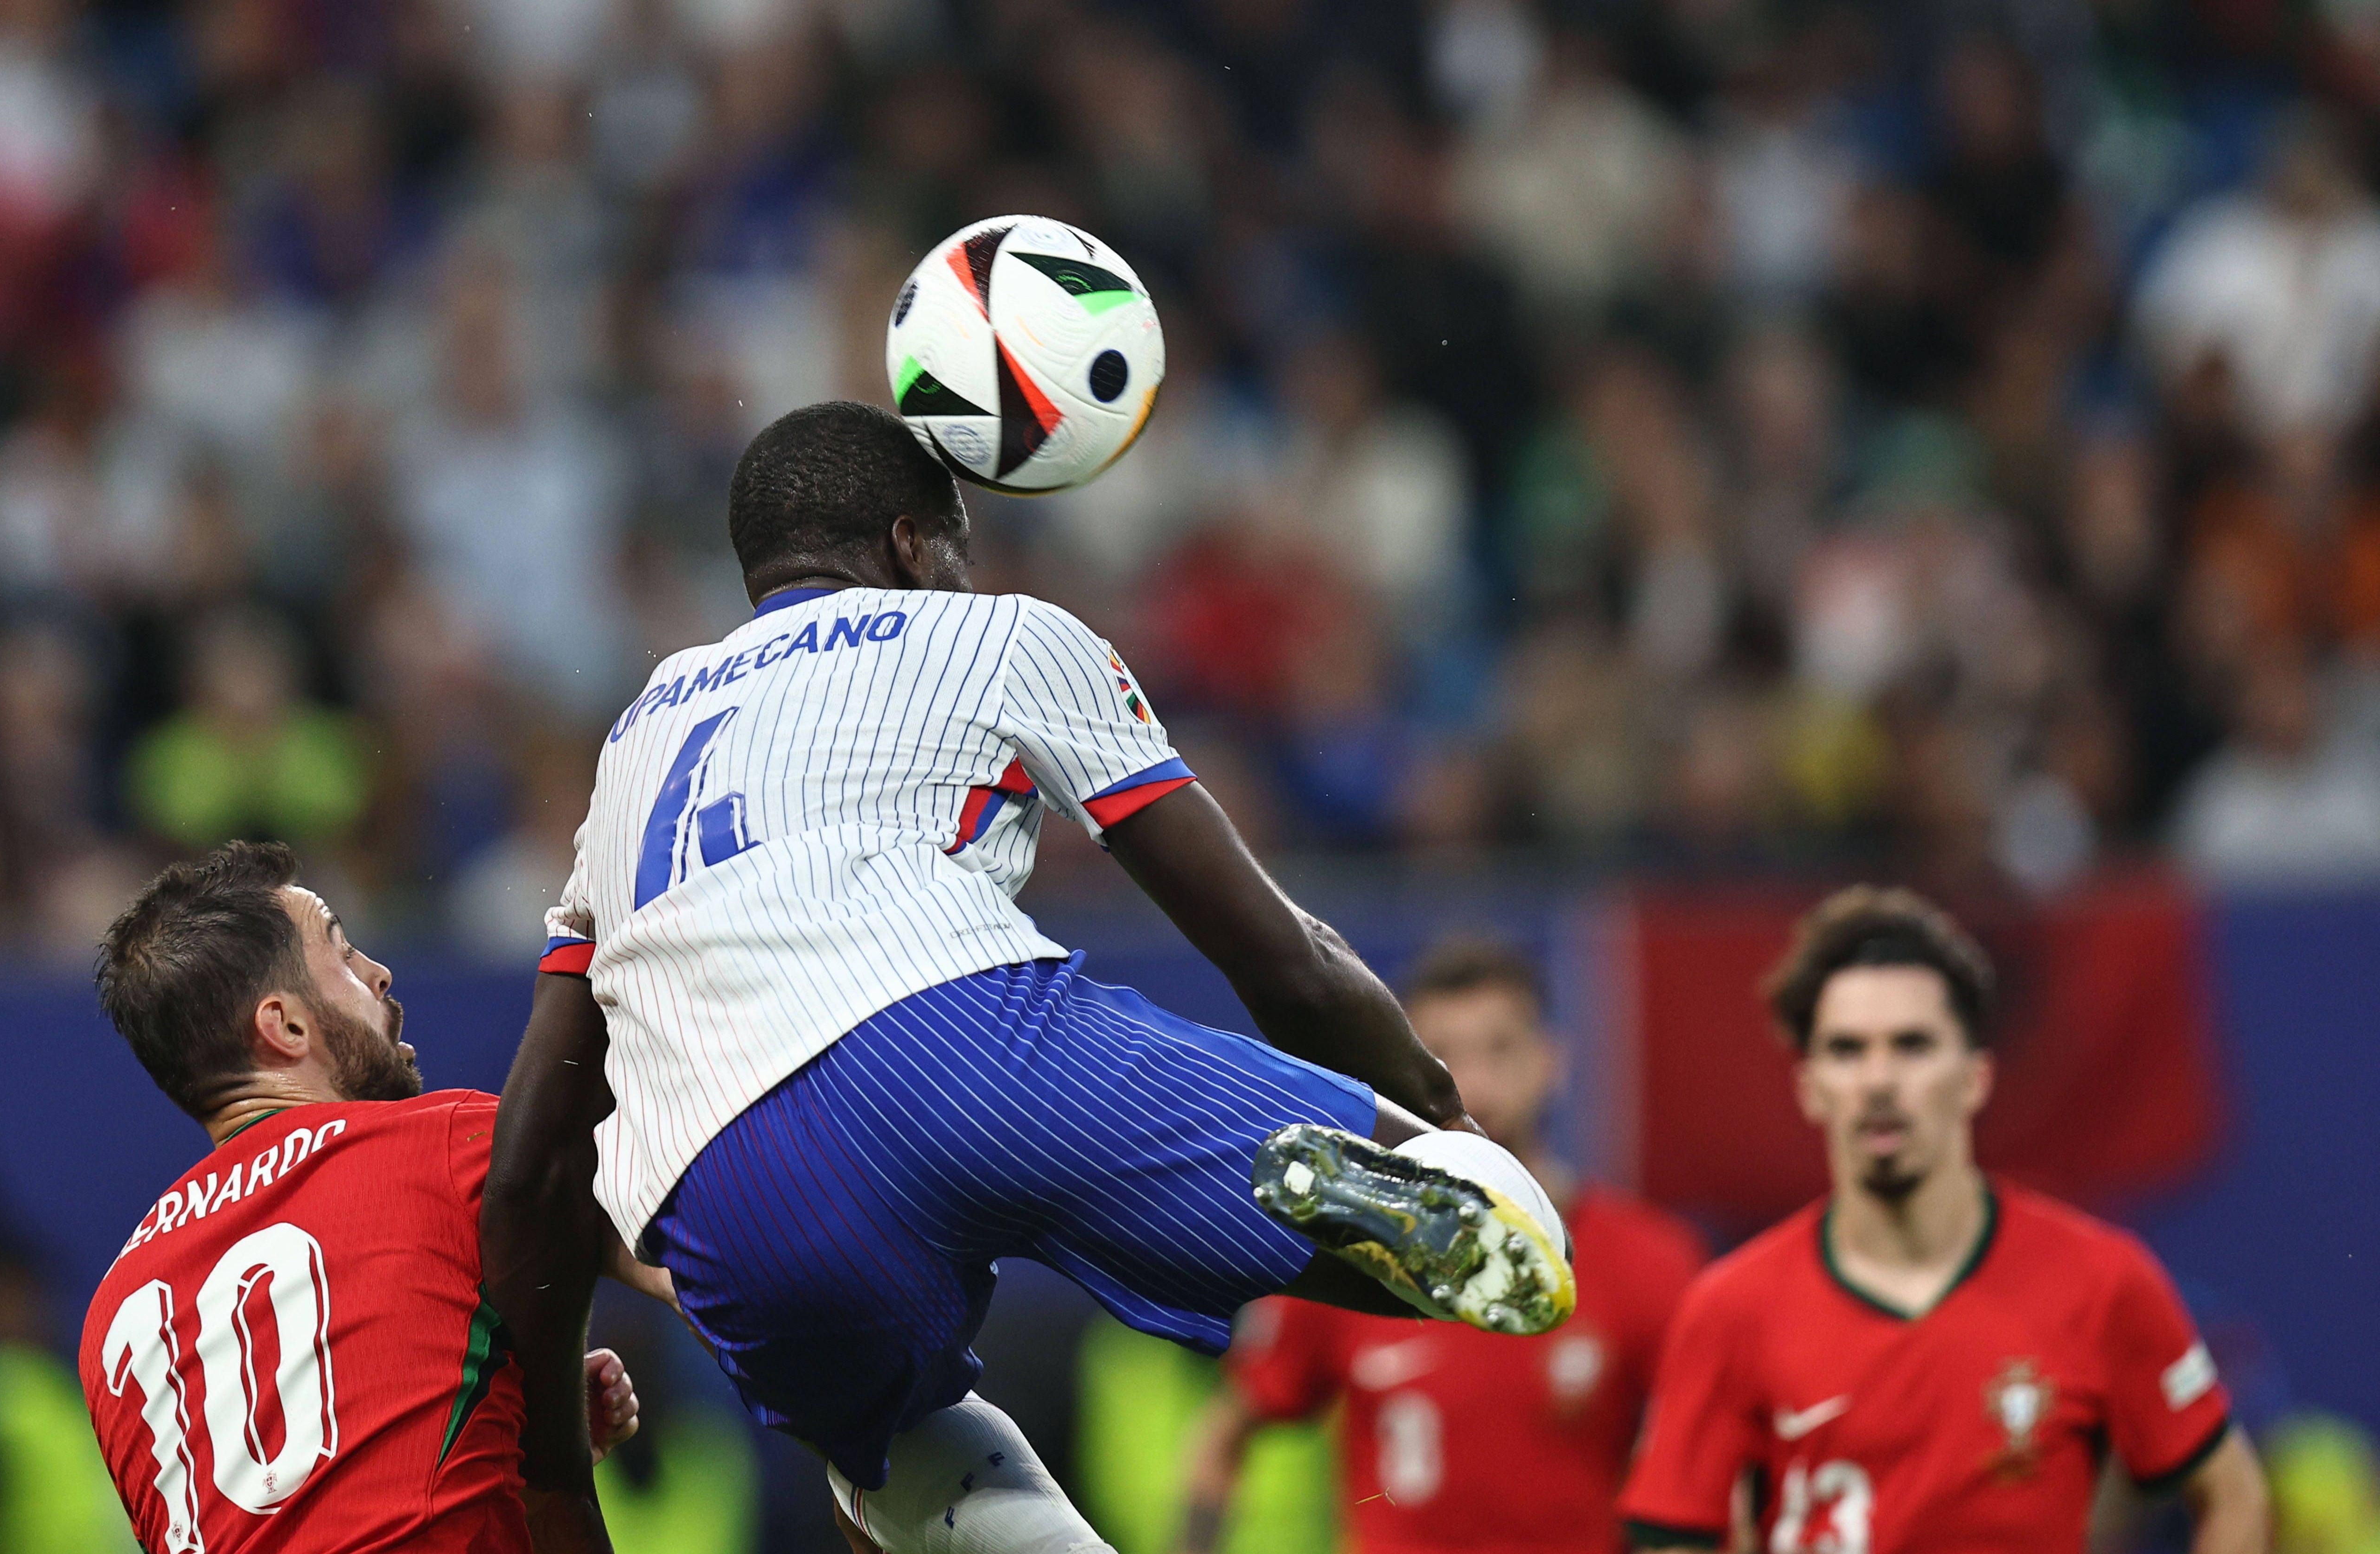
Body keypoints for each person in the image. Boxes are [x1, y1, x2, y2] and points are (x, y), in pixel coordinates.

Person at [493, 400, 1575, 1554]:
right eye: (958, 552)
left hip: (726, 1194)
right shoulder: (995, 636)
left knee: (889, 1454)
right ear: (912, 546)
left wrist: (551, 1472)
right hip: (955, 1039)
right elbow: (1280, 957)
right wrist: (1439, 1111)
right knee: (1519, 1235)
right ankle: (1363, 1178)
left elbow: (530, 1152)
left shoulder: (633, 741)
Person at [1618, 886, 2271, 1553]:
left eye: (1913, 1045)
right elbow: (1672, 1538)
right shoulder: (1731, 1310)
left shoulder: (2103, 1281)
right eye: (1847, 1050)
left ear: (1975, 1077)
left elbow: (2233, 1495)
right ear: (1809, 1087)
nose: (1879, 1079)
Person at [81, 841, 649, 1554]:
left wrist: (518, 1398)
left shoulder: (109, 1322)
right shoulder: (438, 1143)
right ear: (285, 1026)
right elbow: (692, 1253)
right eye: (344, 954)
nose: (379, 974)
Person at [1180, 940, 1708, 1554]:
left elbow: (1705, 1474)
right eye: (1443, 1057)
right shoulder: (1355, 1251)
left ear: (1551, 1061)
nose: (1475, 1083)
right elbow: (1222, 1442)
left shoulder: (1650, 1260)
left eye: (1500, 1048)